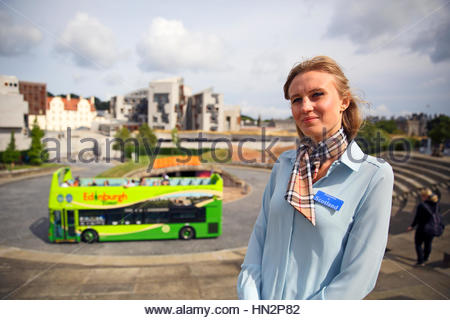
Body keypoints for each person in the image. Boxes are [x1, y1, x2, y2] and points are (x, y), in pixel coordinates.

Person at [237, 56, 394, 300]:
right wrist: (250, 300)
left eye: (317, 95)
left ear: (344, 101)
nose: (305, 106)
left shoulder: (373, 176)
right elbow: (260, 236)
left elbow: (358, 277)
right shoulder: (285, 165)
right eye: (296, 99)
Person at [407, 188, 440, 266]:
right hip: (432, 228)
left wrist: (412, 226)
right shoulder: (436, 204)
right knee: (428, 244)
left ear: (425, 196)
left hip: (422, 228)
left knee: (418, 244)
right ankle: (426, 257)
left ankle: (421, 260)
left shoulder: (422, 206)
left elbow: (417, 218)